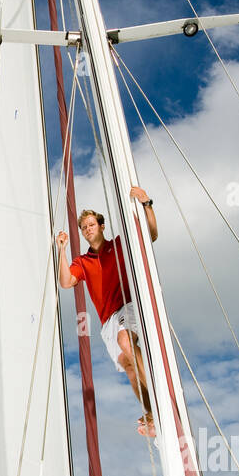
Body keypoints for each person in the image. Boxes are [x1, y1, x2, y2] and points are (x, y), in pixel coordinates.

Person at [56, 187, 158, 437]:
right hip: (107, 320)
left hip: (127, 305)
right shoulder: (82, 261)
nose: (88, 229)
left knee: (126, 341)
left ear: (102, 226)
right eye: (84, 227)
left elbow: (151, 235)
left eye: (92, 224)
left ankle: (160, 398)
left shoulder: (120, 245)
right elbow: (66, 282)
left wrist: (146, 204)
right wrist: (61, 249)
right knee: (127, 364)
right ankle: (151, 413)